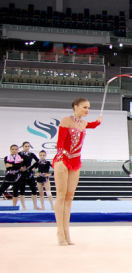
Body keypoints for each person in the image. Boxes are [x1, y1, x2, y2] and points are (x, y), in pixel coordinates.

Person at [53, 98, 102, 246]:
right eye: (85, 107)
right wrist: (61, 159)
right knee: (61, 196)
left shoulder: (84, 123)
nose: (87, 110)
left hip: (75, 161)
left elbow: (93, 125)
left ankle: (67, 232)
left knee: (69, 197)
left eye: (89, 108)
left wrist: (99, 121)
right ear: (76, 107)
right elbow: (60, 142)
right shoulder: (66, 120)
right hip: (63, 158)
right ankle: (60, 232)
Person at [18, 142, 40, 210]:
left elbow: (38, 161)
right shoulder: (19, 154)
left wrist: (33, 168)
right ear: (23, 146)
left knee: (34, 189)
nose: (27, 147)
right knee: (22, 190)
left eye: (28, 146)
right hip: (21, 174)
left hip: (29, 173)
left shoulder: (31, 154)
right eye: (26, 146)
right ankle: (23, 206)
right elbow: (15, 162)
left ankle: (35, 205)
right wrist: (19, 167)